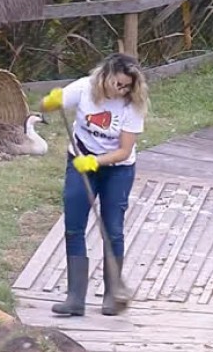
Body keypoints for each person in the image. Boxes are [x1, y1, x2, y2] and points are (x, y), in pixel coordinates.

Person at [40, 53, 149, 316]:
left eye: (127, 86)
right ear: (105, 77)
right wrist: (50, 102)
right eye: (118, 84)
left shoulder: (131, 106)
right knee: (74, 226)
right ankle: (75, 298)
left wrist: (94, 162)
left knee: (113, 229)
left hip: (117, 170)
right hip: (79, 161)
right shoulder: (84, 88)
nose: (122, 90)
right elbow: (47, 104)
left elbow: (124, 151)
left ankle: (113, 295)